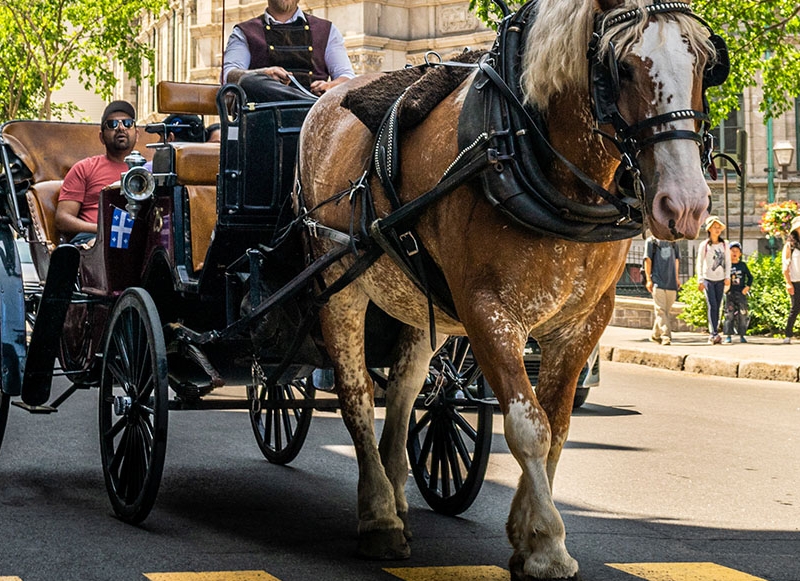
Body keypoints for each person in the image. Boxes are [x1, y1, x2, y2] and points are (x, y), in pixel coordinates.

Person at [221, 0, 355, 101]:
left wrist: (330, 86)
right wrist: (263, 74)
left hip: (313, 116)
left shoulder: (326, 30)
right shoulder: (244, 32)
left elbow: (347, 77)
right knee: (249, 81)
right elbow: (228, 76)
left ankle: (304, 99)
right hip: (265, 116)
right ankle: (303, 98)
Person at [55, 100, 139, 245]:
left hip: (138, 241)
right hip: (92, 239)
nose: (120, 128)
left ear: (137, 134)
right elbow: (62, 219)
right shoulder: (84, 168)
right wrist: (103, 229)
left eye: (127, 123)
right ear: (101, 137)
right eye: (112, 124)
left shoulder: (148, 171)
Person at [696, 215, 731, 344]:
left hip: (720, 279)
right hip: (708, 279)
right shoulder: (704, 245)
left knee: (719, 304)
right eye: (714, 227)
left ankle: (716, 330)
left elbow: (728, 261)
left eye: (718, 227)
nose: (717, 230)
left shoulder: (724, 244)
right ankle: (713, 332)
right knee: (712, 305)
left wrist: (727, 277)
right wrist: (700, 279)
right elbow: (699, 262)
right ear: (709, 229)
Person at [643, 234, 681, 345]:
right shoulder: (651, 241)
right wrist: (648, 279)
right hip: (657, 281)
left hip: (671, 282)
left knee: (665, 311)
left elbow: (677, 260)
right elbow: (648, 260)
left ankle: (655, 335)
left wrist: (677, 278)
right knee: (660, 310)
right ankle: (666, 336)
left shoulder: (674, 242)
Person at [723, 241, 753, 343]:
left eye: (737, 251)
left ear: (740, 253)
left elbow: (750, 277)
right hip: (730, 293)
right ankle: (728, 336)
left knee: (742, 314)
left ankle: (742, 335)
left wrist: (747, 287)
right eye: (732, 251)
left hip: (741, 293)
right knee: (729, 315)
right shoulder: (727, 265)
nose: (734, 253)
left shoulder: (743, 265)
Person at [782, 216, 800, 344]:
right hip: (795, 280)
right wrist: (788, 282)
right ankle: (788, 334)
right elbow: (785, 266)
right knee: (795, 308)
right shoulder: (790, 245)